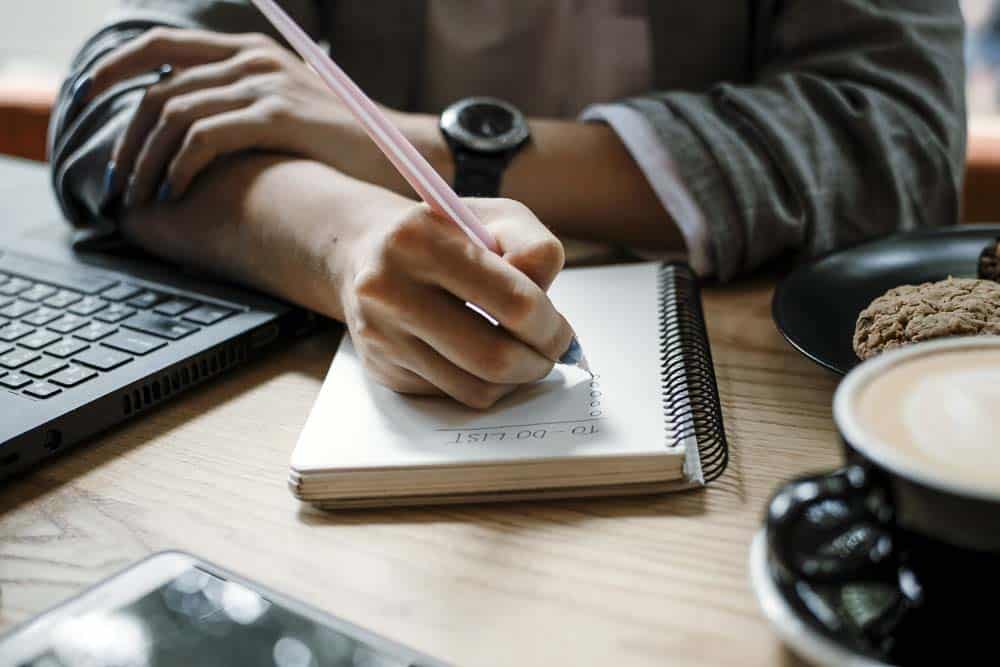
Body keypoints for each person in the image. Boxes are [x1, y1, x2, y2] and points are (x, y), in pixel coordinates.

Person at [50, 1, 966, 408]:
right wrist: (347, 235)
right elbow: (115, 101)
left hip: (761, 388)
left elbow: (897, 138)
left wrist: (403, 145)